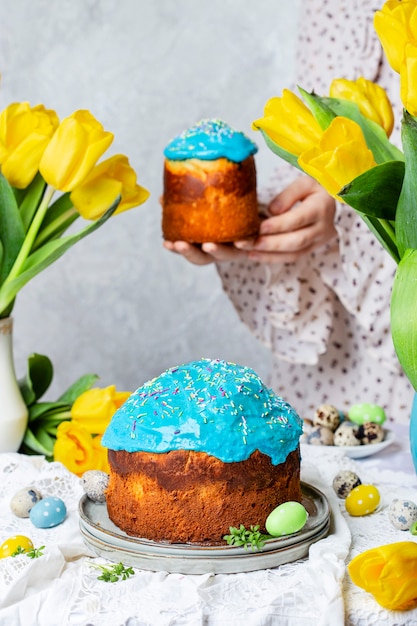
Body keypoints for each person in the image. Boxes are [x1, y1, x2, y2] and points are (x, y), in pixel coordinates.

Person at [164, 0, 413, 422]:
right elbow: (317, 142)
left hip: (400, 320)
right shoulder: (336, 6)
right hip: (344, 357)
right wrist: (268, 221)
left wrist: (348, 205)